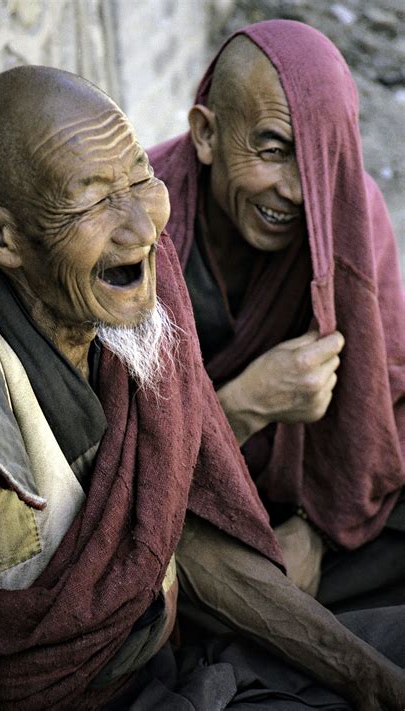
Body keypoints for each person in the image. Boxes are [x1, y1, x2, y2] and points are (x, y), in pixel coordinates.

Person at [0, 65, 404, 711]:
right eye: (95, 200)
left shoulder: (127, 300)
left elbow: (161, 530)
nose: (143, 228)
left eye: (139, 180)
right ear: (1, 235)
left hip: (167, 649)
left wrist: (368, 677)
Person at [148, 19, 405, 609]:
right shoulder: (141, 225)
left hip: (304, 506)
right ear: (206, 134)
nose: (296, 191)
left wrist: (314, 530)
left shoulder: (346, 213)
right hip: (182, 507)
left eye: (320, 159)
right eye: (272, 150)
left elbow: (381, 399)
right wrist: (246, 405)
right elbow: (114, 456)